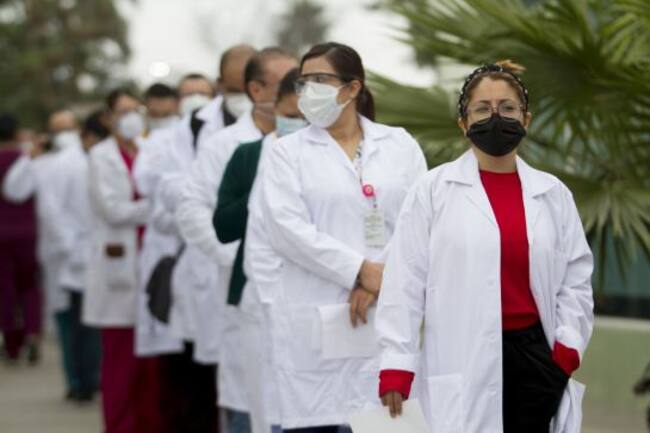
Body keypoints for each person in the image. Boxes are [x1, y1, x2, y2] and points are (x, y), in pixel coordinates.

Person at [375, 61, 594, 433]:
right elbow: (404, 282)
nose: (496, 118)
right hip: (461, 352)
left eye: (507, 108)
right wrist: (396, 364)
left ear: (526, 119)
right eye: (482, 109)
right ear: (463, 123)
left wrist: (567, 348)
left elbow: (576, 278)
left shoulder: (553, 194)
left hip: (536, 360)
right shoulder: (433, 190)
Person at [259, 42, 427, 433]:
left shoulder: (399, 144)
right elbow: (286, 228)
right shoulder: (287, 152)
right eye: (303, 82)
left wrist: (380, 275)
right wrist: (358, 270)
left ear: (352, 88)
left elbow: (419, 219)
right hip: (314, 317)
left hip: (387, 308)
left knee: (384, 421)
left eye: (320, 80)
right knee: (318, 418)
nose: (308, 91)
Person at [176, 46, 298, 433]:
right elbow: (192, 210)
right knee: (250, 403)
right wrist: (239, 257)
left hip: (303, 298)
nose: (299, 91)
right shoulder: (225, 145)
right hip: (247, 290)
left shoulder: (315, 142)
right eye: (287, 83)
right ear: (256, 90)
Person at [155, 46, 255, 433]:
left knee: (250, 380)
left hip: (260, 271)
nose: (244, 96)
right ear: (220, 84)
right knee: (205, 382)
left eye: (249, 87)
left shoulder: (285, 124)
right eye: (234, 89)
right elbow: (172, 190)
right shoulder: (196, 126)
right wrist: (217, 193)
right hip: (209, 259)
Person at [214, 67, 306, 433]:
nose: (296, 123)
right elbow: (223, 227)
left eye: (303, 117)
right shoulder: (248, 156)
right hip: (257, 296)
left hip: (310, 299)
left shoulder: (322, 160)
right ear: (275, 111)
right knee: (264, 405)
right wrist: (262, 188)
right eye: (289, 115)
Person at [84, 88, 163, 433]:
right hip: (119, 264)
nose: (131, 117)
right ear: (109, 117)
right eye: (123, 111)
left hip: (151, 259)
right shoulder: (100, 156)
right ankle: (119, 426)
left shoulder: (147, 148)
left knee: (149, 362)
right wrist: (156, 206)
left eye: (136, 109)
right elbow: (113, 210)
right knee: (120, 361)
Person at [3, 109, 82, 378]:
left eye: (68, 128)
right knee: (31, 291)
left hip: (29, 239)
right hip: (36, 239)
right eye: (58, 130)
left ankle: (16, 342)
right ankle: (32, 336)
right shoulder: (33, 160)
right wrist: (30, 158)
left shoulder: (84, 158)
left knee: (10, 290)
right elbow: (16, 191)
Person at [46, 109, 109, 402]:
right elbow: (52, 209)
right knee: (78, 326)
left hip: (100, 253)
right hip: (74, 254)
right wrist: (70, 247)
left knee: (95, 325)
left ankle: (93, 379)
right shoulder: (63, 163)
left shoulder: (102, 160)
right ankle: (80, 381)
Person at [0, 113, 41, 364]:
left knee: (4, 289)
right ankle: (32, 332)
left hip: (1, 236)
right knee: (29, 285)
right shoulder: (27, 158)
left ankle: (11, 344)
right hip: (28, 232)